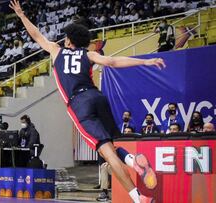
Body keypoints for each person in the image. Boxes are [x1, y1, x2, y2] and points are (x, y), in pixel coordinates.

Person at [9, 1, 165, 202]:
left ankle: (138, 197)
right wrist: (145, 61)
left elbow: (36, 35)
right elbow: (112, 62)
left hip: (79, 104)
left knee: (107, 154)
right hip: (97, 97)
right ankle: (131, 159)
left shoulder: (56, 51)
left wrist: (22, 16)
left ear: (68, 41)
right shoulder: (88, 54)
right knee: (112, 147)